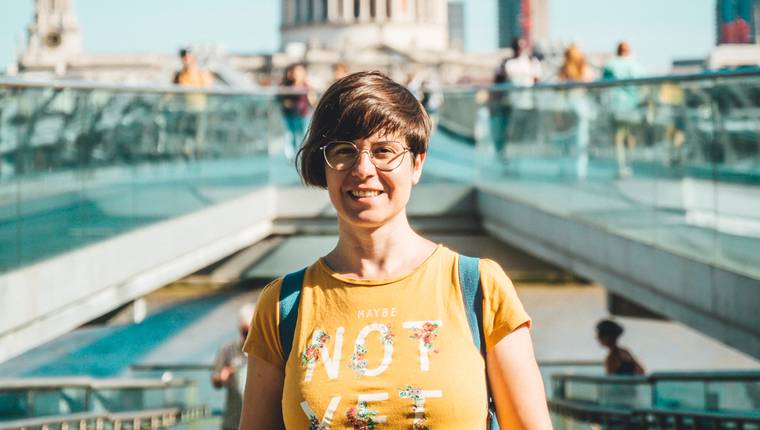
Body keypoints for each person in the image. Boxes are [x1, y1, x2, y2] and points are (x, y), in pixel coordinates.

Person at [239, 71, 551, 429]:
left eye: (384, 151)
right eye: (344, 151)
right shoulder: (282, 306)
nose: (363, 169)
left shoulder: (479, 289)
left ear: (417, 163)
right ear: (323, 167)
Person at [602, 41, 645, 178]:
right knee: (631, 136)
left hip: (617, 106)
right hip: (633, 106)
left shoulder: (611, 64)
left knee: (619, 137)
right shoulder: (636, 65)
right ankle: (629, 164)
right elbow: (642, 86)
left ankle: (621, 165)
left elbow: (604, 83)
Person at [211, 303, 254, 430]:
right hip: (233, 422)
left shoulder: (265, 351)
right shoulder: (227, 350)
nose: (248, 336)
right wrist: (221, 377)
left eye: (251, 332)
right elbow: (215, 380)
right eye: (245, 332)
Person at [558, 43, 595, 179]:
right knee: (581, 139)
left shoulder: (564, 69)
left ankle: (565, 169)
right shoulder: (585, 68)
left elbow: (560, 90)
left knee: (565, 140)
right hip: (581, 105)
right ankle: (580, 171)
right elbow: (591, 83)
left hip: (566, 105)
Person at [503, 37, 543, 153]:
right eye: (517, 47)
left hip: (530, 104)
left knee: (529, 135)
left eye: (522, 47)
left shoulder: (532, 62)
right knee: (513, 135)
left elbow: (537, 80)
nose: (520, 50)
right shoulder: (509, 63)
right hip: (513, 105)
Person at [173, 48, 213, 158]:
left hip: (199, 110)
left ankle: (198, 162)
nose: (185, 58)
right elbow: (172, 93)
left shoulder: (201, 72)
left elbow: (209, 88)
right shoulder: (179, 75)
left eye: (187, 55)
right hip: (185, 110)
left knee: (198, 140)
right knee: (185, 140)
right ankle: (188, 162)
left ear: (192, 57)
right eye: (183, 56)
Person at [280, 63, 314, 160]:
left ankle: (303, 155)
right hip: (289, 115)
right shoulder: (286, 84)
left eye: (299, 72)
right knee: (290, 136)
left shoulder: (306, 85)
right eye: (295, 72)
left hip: (303, 115)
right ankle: (291, 157)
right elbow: (281, 99)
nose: (297, 74)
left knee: (304, 135)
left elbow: (312, 100)